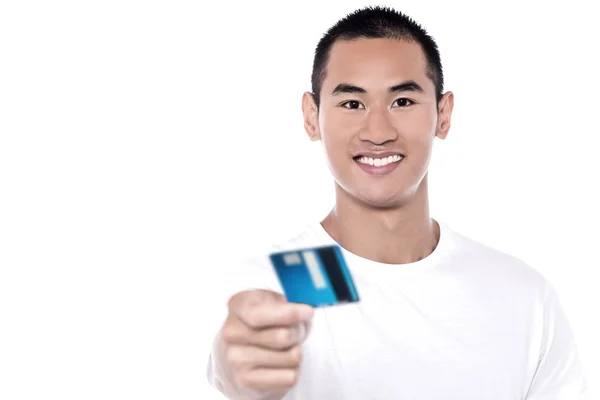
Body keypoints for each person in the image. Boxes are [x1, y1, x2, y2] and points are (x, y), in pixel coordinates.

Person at [206, 6, 588, 399]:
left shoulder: (522, 295)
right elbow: (232, 361)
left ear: (443, 114)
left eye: (402, 101)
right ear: (311, 116)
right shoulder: (277, 283)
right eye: (352, 104)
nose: (378, 132)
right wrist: (239, 368)